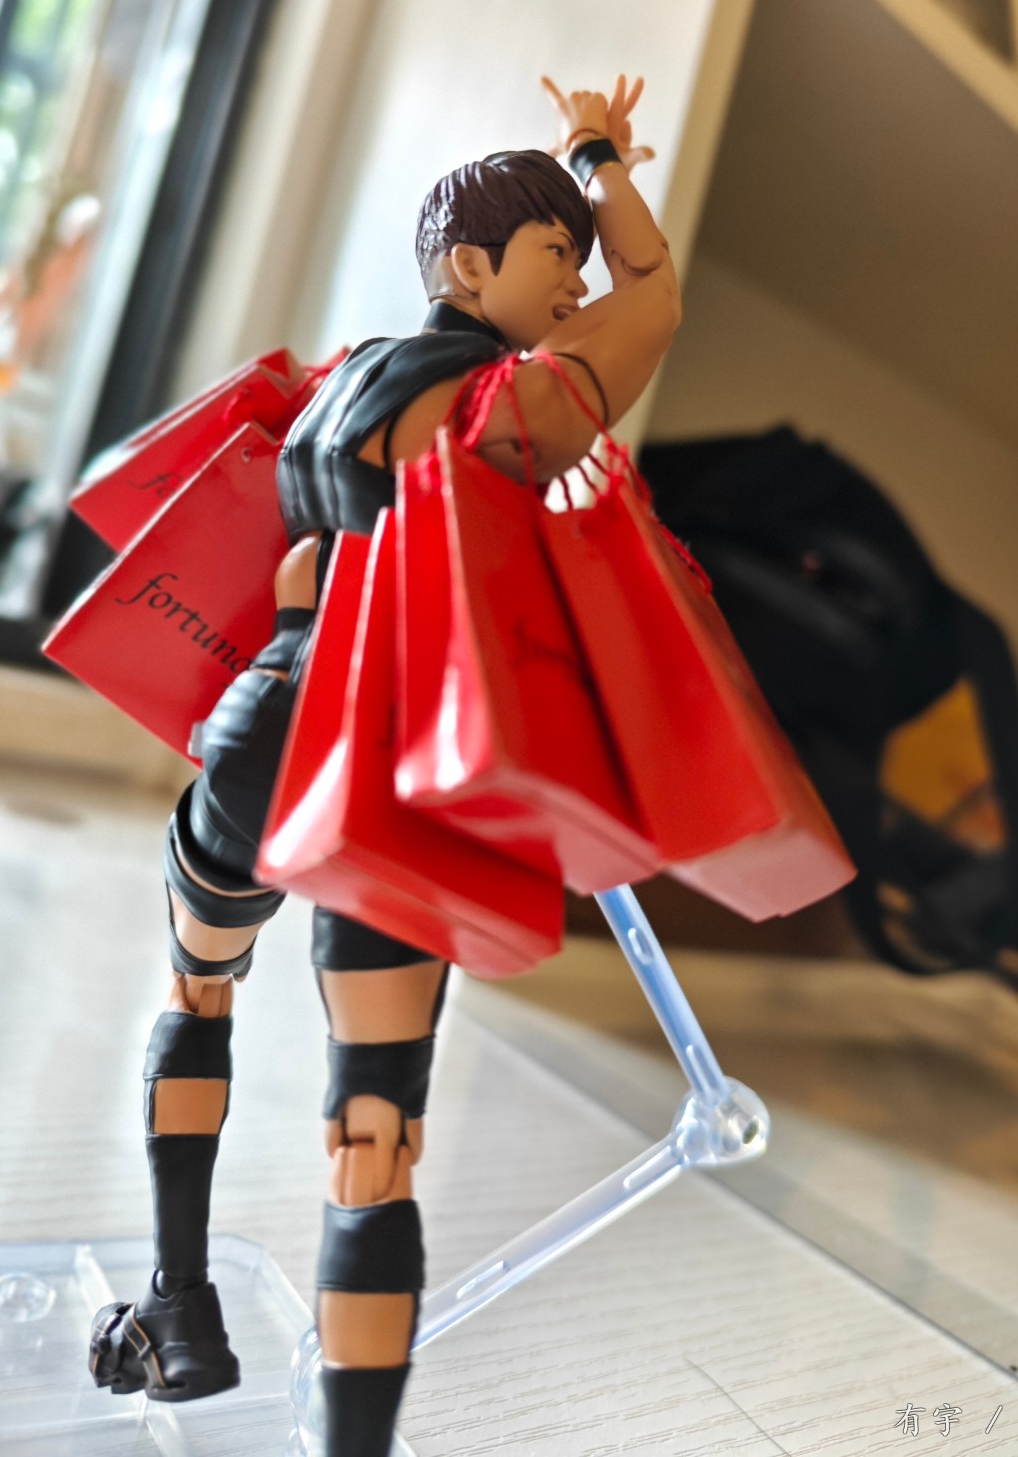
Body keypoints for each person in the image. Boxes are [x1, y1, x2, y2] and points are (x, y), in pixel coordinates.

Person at [87, 75, 680, 1457]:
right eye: (554, 256)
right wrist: (599, 155)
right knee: (373, 1132)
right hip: (390, 758)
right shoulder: (511, 405)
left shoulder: (334, 381)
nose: (577, 283)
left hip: (265, 718)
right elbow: (654, 291)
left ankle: (178, 1310)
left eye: (575, 260)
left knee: (197, 987)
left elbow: (278, 549)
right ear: (471, 267)